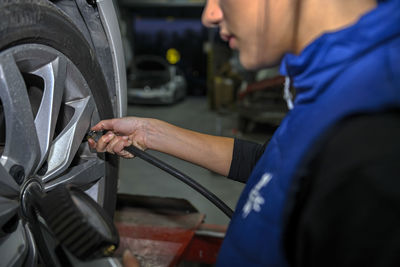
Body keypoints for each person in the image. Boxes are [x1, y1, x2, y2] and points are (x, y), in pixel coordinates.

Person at [90, 0, 400, 266]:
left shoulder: (372, 146)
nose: (209, 15)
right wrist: (149, 131)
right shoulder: (337, 84)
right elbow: (270, 166)